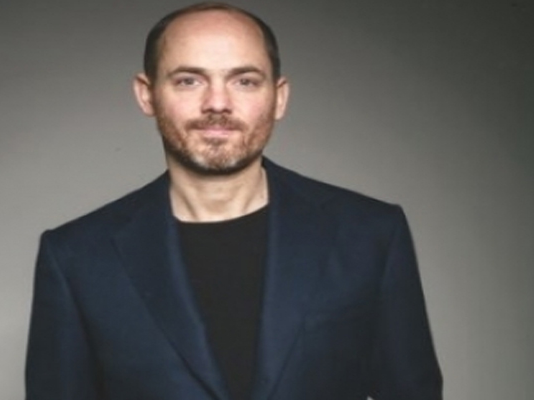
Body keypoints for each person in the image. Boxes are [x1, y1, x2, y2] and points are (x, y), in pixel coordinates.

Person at [25, 2, 442, 400]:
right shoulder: (77, 257)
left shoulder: (369, 235)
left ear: (279, 97)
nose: (218, 104)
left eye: (245, 81)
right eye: (189, 80)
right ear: (147, 94)